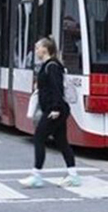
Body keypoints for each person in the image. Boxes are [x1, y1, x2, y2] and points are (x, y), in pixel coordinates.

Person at [19, 37, 80, 189]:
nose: (36, 49)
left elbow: (56, 88)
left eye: (38, 47)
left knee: (39, 137)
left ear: (45, 49)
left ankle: (36, 176)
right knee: (62, 142)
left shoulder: (52, 66)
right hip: (56, 109)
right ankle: (73, 175)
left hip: (56, 110)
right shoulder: (49, 65)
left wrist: (55, 109)